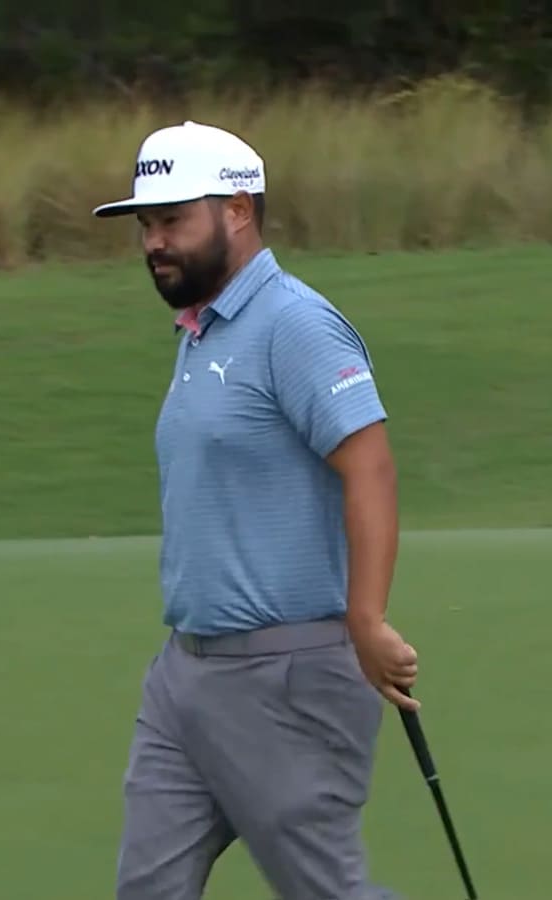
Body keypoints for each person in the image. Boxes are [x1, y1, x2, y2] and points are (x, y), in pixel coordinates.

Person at [92, 120, 420, 900]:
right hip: (185, 678)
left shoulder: (294, 324)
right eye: (146, 225)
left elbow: (368, 466)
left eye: (172, 220)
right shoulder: (202, 332)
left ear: (237, 210)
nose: (153, 242)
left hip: (287, 678)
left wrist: (367, 621)